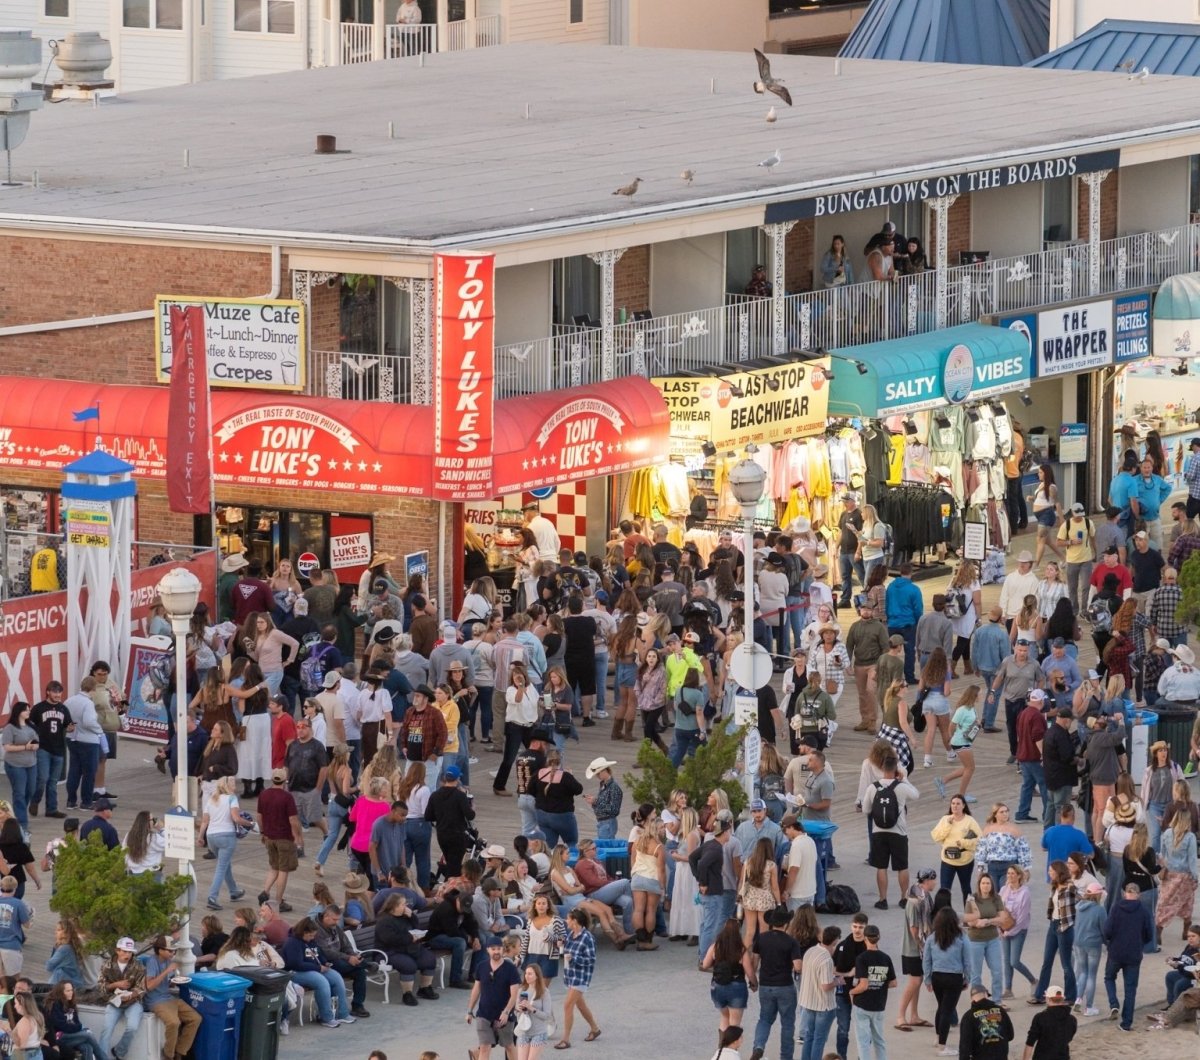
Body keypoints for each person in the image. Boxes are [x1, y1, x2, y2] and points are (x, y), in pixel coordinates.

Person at [862, 752, 919, 910]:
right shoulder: (901, 787)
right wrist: (904, 779)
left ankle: (883, 899)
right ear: (896, 769)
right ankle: (904, 898)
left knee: (881, 867)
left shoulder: (873, 787)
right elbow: (916, 795)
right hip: (898, 832)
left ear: (882, 768)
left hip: (878, 832)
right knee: (902, 866)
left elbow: (866, 809)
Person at [748, 905, 802, 1060]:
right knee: (787, 1023)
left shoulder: (761, 938)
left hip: (766, 986)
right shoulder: (791, 942)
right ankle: (786, 1056)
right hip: (785, 986)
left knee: (764, 1019)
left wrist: (753, 982)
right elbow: (798, 967)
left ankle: (758, 1046)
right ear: (786, 924)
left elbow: (754, 963)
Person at [139, 935, 202, 1060]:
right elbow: (149, 986)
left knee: (195, 1018)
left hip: (168, 997)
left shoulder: (169, 961)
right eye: (170, 951)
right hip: (155, 1000)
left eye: (174, 951)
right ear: (160, 950)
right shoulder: (152, 962)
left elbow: (168, 982)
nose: (173, 953)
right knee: (174, 1022)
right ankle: (169, 1054)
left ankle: (180, 1051)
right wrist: (167, 971)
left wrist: (173, 980)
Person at [922, 905, 969, 1055]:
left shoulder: (932, 938)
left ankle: (938, 1038)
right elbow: (967, 959)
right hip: (954, 977)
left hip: (937, 976)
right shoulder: (961, 937)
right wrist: (967, 978)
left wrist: (927, 978)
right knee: (947, 1010)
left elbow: (926, 960)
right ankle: (942, 1046)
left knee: (941, 1007)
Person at [1030, 862, 1077, 1006]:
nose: (1049, 873)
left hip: (1065, 927)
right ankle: (1040, 995)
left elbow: (1080, 899)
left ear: (1058, 871)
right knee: (1047, 961)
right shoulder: (1054, 886)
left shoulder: (1070, 886)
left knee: (1066, 964)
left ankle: (1071, 996)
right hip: (1053, 925)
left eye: (1051, 871)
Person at [468, 935, 522, 1059]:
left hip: (504, 1016)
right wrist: (469, 1011)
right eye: (493, 949)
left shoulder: (510, 968)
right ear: (487, 950)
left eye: (498, 948)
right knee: (484, 1047)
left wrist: (506, 1012)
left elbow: (514, 994)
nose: (496, 951)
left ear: (503, 949)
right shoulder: (481, 966)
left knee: (509, 1045)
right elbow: (476, 990)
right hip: (484, 1014)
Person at [199, 777, 248, 911]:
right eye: (233, 783)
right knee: (221, 867)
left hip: (211, 837)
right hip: (226, 836)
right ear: (228, 785)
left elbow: (204, 821)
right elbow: (236, 818)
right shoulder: (232, 798)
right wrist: (250, 824)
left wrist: (200, 837)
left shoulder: (211, 800)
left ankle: (234, 891)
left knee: (225, 864)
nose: (235, 785)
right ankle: (212, 897)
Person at [702, 917, 756, 1039]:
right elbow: (750, 972)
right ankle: (731, 1048)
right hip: (736, 987)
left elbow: (705, 965)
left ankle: (721, 1046)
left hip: (717, 986)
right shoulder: (741, 950)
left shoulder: (716, 946)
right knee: (734, 1024)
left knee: (724, 1017)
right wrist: (754, 984)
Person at [555, 907, 600, 1048]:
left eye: (568, 919)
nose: (566, 921)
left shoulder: (587, 937)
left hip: (581, 976)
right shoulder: (571, 934)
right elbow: (566, 950)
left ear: (574, 921)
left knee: (568, 1005)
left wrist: (574, 958)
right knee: (580, 1005)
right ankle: (595, 1029)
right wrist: (561, 945)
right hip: (570, 975)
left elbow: (591, 960)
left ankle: (565, 1039)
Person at [849, 923, 895, 1060]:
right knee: (879, 1040)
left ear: (865, 938)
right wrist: (879, 983)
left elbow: (863, 985)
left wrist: (852, 991)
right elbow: (893, 982)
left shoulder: (862, 958)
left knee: (863, 1042)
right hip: (879, 1004)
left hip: (863, 1004)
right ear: (878, 938)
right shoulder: (886, 958)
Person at [98, 936, 148, 1057]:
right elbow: (100, 987)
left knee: (132, 1027)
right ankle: (102, 1057)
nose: (127, 955)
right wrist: (115, 985)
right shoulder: (107, 965)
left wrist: (131, 995)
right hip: (114, 1001)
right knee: (107, 1030)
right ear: (117, 951)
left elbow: (142, 987)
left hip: (133, 1002)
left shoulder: (138, 966)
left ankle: (119, 1051)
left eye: (130, 952)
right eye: (125, 951)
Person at [964, 872, 1008, 1004]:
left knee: (997, 971)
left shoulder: (996, 898)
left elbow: (1003, 918)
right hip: (975, 941)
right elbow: (968, 920)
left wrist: (988, 921)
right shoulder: (972, 899)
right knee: (976, 974)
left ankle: (997, 1001)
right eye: (983, 883)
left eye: (988, 883)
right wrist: (977, 923)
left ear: (991, 885)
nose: (986, 886)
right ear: (979, 885)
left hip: (993, 939)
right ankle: (978, 1002)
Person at [44, 981, 104, 1060]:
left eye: (71, 990)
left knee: (87, 1047)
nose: (71, 993)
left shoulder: (71, 1004)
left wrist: (77, 1028)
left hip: (72, 1036)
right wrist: (78, 1029)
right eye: (68, 991)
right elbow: (62, 1026)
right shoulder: (55, 1005)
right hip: (59, 1037)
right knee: (88, 1035)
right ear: (60, 992)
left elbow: (77, 1023)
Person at [959, 982, 1015, 1060]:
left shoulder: (968, 1017)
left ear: (972, 999)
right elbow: (1010, 1035)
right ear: (986, 995)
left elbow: (965, 1047)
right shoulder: (1001, 1011)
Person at [1022, 983, 1076, 1059]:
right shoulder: (1072, 1019)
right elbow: (1069, 1038)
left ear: (1048, 999)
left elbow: (1030, 1042)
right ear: (1063, 999)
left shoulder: (1040, 1017)